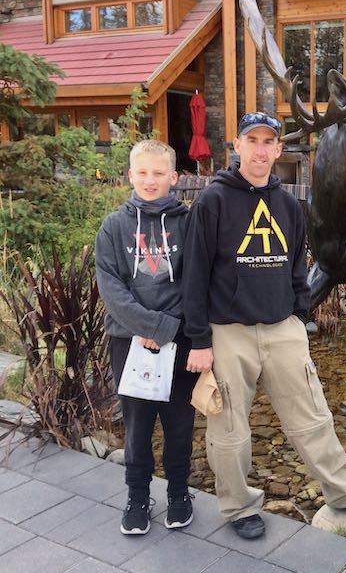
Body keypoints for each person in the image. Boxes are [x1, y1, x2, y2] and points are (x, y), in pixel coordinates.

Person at [182, 112, 346, 540]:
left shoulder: (290, 205)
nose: (259, 149)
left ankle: (344, 493)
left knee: (313, 415)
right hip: (228, 331)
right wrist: (199, 341)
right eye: (251, 140)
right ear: (237, 145)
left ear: (277, 150)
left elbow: (298, 265)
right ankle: (238, 507)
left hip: (282, 329)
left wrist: (300, 313)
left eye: (267, 141)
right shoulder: (212, 201)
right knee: (229, 427)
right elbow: (194, 274)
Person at [95, 140, 199, 535]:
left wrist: (170, 327)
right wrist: (150, 328)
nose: (150, 180)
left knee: (178, 423)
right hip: (129, 342)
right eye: (143, 173)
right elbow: (112, 288)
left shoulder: (188, 223)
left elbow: (196, 282)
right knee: (137, 427)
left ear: (174, 177)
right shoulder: (114, 227)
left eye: (159, 173)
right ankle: (137, 496)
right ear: (130, 175)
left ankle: (178, 493)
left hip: (179, 339)